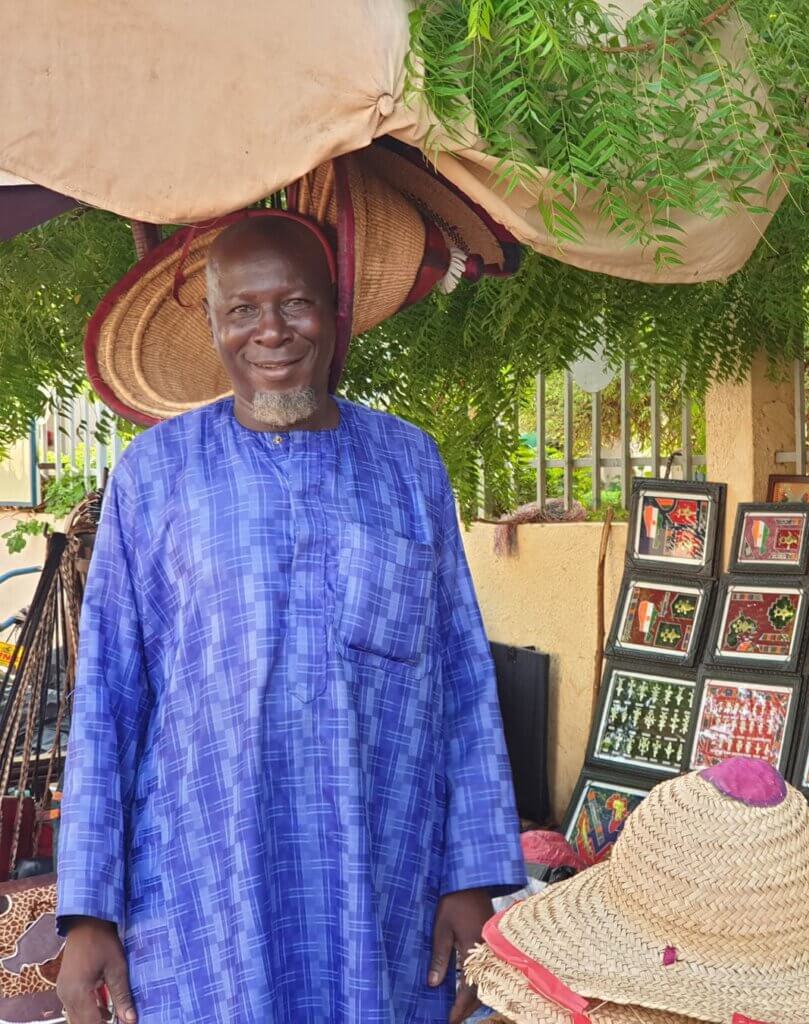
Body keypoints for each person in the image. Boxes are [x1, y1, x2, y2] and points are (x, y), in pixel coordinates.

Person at [56, 216, 526, 1024]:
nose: (270, 331)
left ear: (334, 313)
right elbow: (107, 696)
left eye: (295, 303)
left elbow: (459, 677)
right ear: (211, 324)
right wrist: (89, 909)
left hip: (385, 887)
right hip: (206, 895)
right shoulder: (156, 477)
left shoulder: (409, 465)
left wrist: (471, 875)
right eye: (242, 310)